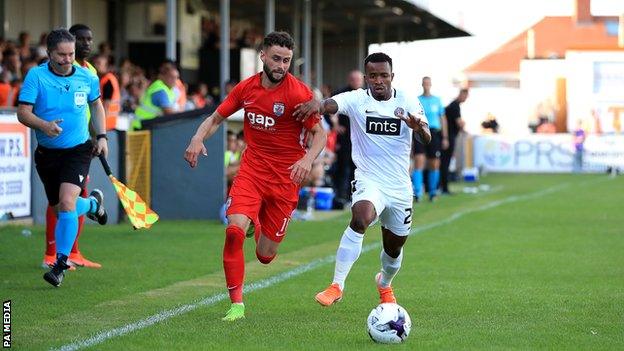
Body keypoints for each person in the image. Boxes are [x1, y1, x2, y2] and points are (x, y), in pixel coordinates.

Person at [184, 31, 326, 321]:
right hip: (253, 170)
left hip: (286, 179)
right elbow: (215, 118)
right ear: (262, 56)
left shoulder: (299, 94)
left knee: (265, 255)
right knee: (234, 230)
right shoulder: (246, 89)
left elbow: (319, 134)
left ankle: (256, 222)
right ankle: (236, 304)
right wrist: (197, 138)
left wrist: (307, 159)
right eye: (276, 58)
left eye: (286, 60)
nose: (281, 65)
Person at [293, 52, 431, 307]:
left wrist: (418, 127)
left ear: (392, 77)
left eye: (384, 76)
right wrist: (318, 104)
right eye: (373, 76)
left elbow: (426, 137)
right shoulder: (357, 99)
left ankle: (384, 283)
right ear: (366, 77)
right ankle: (337, 285)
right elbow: (332, 104)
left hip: (399, 186)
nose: (378, 81)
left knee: (394, 250)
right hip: (369, 180)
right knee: (360, 218)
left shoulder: (408, 99)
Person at [17, 28, 108, 287]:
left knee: (67, 204)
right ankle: (91, 205)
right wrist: (44, 126)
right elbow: (23, 113)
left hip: (78, 150)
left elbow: (96, 105)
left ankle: (60, 265)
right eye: (62, 55)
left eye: (71, 54)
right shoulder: (36, 76)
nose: (68, 59)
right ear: (49, 53)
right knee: (60, 209)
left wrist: (102, 137)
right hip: (47, 153)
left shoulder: (87, 77)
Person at [39, 24, 102, 270]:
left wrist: (99, 137)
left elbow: (93, 107)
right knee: (58, 201)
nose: (87, 44)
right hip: (55, 145)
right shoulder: (49, 72)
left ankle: (73, 251)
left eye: (90, 39)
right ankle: (50, 252)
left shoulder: (90, 72)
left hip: (80, 144)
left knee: (74, 196)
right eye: (81, 39)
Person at [330, 70, 364, 208]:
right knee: (344, 167)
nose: (356, 82)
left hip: (361, 139)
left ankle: (356, 196)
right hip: (345, 138)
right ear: (349, 80)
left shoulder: (366, 95)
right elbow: (332, 109)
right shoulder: (342, 93)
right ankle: (342, 196)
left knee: (358, 168)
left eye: (358, 79)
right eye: (354, 79)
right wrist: (336, 124)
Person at [412, 76, 447, 202]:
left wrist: (445, 137)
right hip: (420, 131)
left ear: (430, 84)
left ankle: (432, 192)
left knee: (434, 163)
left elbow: (443, 119)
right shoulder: (417, 100)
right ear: (422, 84)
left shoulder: (437, 100)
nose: (426, 85)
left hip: (434, 132)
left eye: (428, 83)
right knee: (419, 161)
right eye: (424, 83)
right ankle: (418, 193)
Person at [133, 63, 179, 129]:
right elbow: (169, 113)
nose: (174, 80)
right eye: (171, 77)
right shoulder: (160, 90)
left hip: (146, 126)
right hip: (141, 127)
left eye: (176, 77)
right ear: (162, 77)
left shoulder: (169, 90)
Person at [440, 88, 468, 195]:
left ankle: (442, 186)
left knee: (444, 162)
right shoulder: (455, 106)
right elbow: (459, 123)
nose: (465, 99)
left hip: (448, 136)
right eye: (465, 96)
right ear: (461, 94)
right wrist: (463, 126)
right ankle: (444, 187)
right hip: (448, 137)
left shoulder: (453, 105)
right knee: (445, 162)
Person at [93, 55, 120, 130]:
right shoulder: (109, 78)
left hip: (105, 124)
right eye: (95, 63)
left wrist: (100, 126)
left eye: (99, 63)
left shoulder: (107, 81)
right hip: (110, 123)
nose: (95, 65)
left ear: (106, 66)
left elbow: (106, 105)